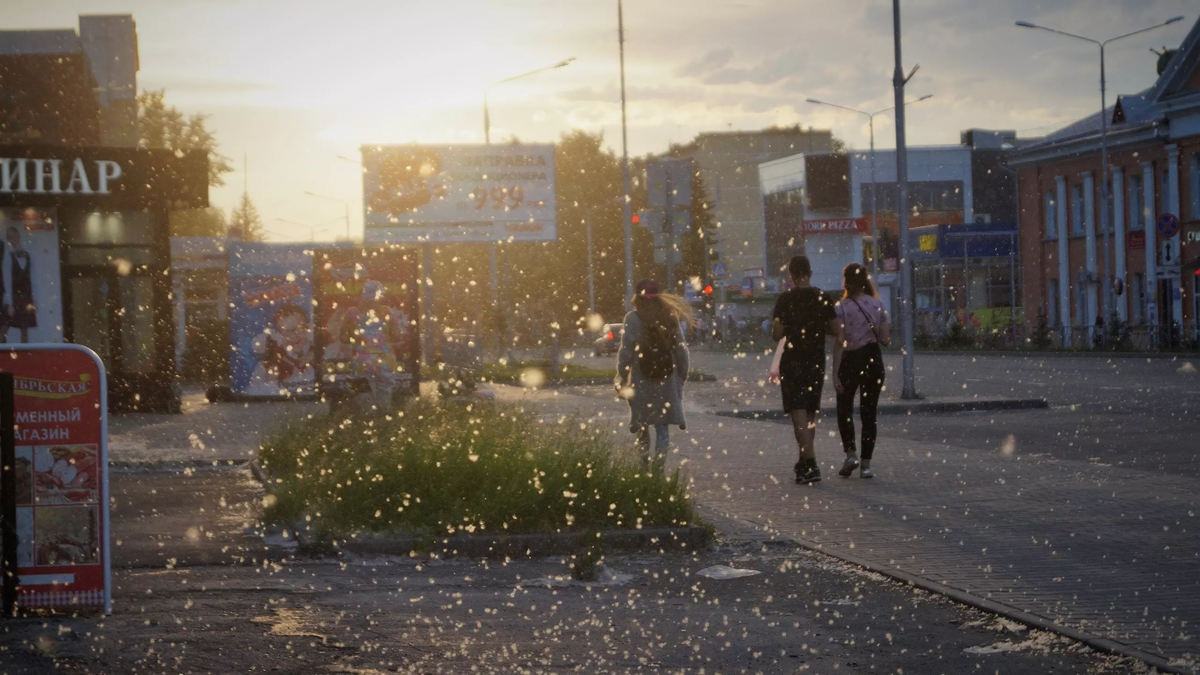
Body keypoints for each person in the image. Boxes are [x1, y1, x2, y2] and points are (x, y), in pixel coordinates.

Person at [769, 255, 838, 484]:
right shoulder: (822, 297)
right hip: (816, 360)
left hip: (794, 360)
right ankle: (803, 462)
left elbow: (777, 334)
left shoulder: (786, 300)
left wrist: (790, 325)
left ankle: (812, 463)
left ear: (791, 274)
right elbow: (835, 329)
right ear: (810, 272)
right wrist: (816, 326)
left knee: (798, 412)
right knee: (809, 412)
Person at [616, 279, 694, 471]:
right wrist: (681, 375)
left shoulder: (632, 319)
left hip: (640, 380)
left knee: (642, 427)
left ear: (637, 297)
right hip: (666, 379)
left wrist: (622, 376)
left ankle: (644, 470)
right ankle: (658, 471)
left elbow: (625, 351)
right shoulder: (669, 316)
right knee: (662, 427)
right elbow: (681, 349)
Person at [832, 263, 891, 479]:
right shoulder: (878, 305)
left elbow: (839, 342)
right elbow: (885, 339)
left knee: (844, 408)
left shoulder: (841, 307)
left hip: (851, 361)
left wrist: (834, 373)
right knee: (869, 413)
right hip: (874, 359)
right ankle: (866, 466)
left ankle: (851, 454)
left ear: (846, 281)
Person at [247, 303, 315, 396]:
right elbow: (252, 395)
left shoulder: (320, 354)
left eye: (299, 329)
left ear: (308, 328)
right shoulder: (267, 364)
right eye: (287, 332)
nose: (294, 335)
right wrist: (272, 383)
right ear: (279, 335)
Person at [3, 226, 35, 343]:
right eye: (9, 238)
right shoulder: (8, 257)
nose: (13, 239)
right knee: (4, 328)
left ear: (18, 236)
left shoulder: (28, 256)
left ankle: (24, 358)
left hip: (26, 298)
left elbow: (32, 279)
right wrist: (10, 304)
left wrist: (33, 300)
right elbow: (7, 280)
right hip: (14, 297)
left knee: (24, 330)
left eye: (14, 236)